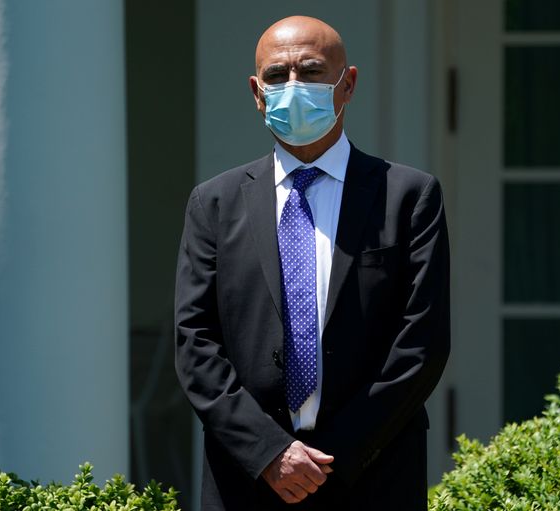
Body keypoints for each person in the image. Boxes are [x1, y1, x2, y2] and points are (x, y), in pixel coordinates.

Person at [174, 15, 450, 511]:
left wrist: (335, 456)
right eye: (277, 76)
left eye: (311, 70)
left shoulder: (407, 196)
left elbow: (421, 343)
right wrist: (269, 452)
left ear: (348, 85)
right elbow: (195, 344)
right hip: (246, 476)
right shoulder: (213, 204)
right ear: (257, 93)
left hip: (372, 472)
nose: (293, 86)